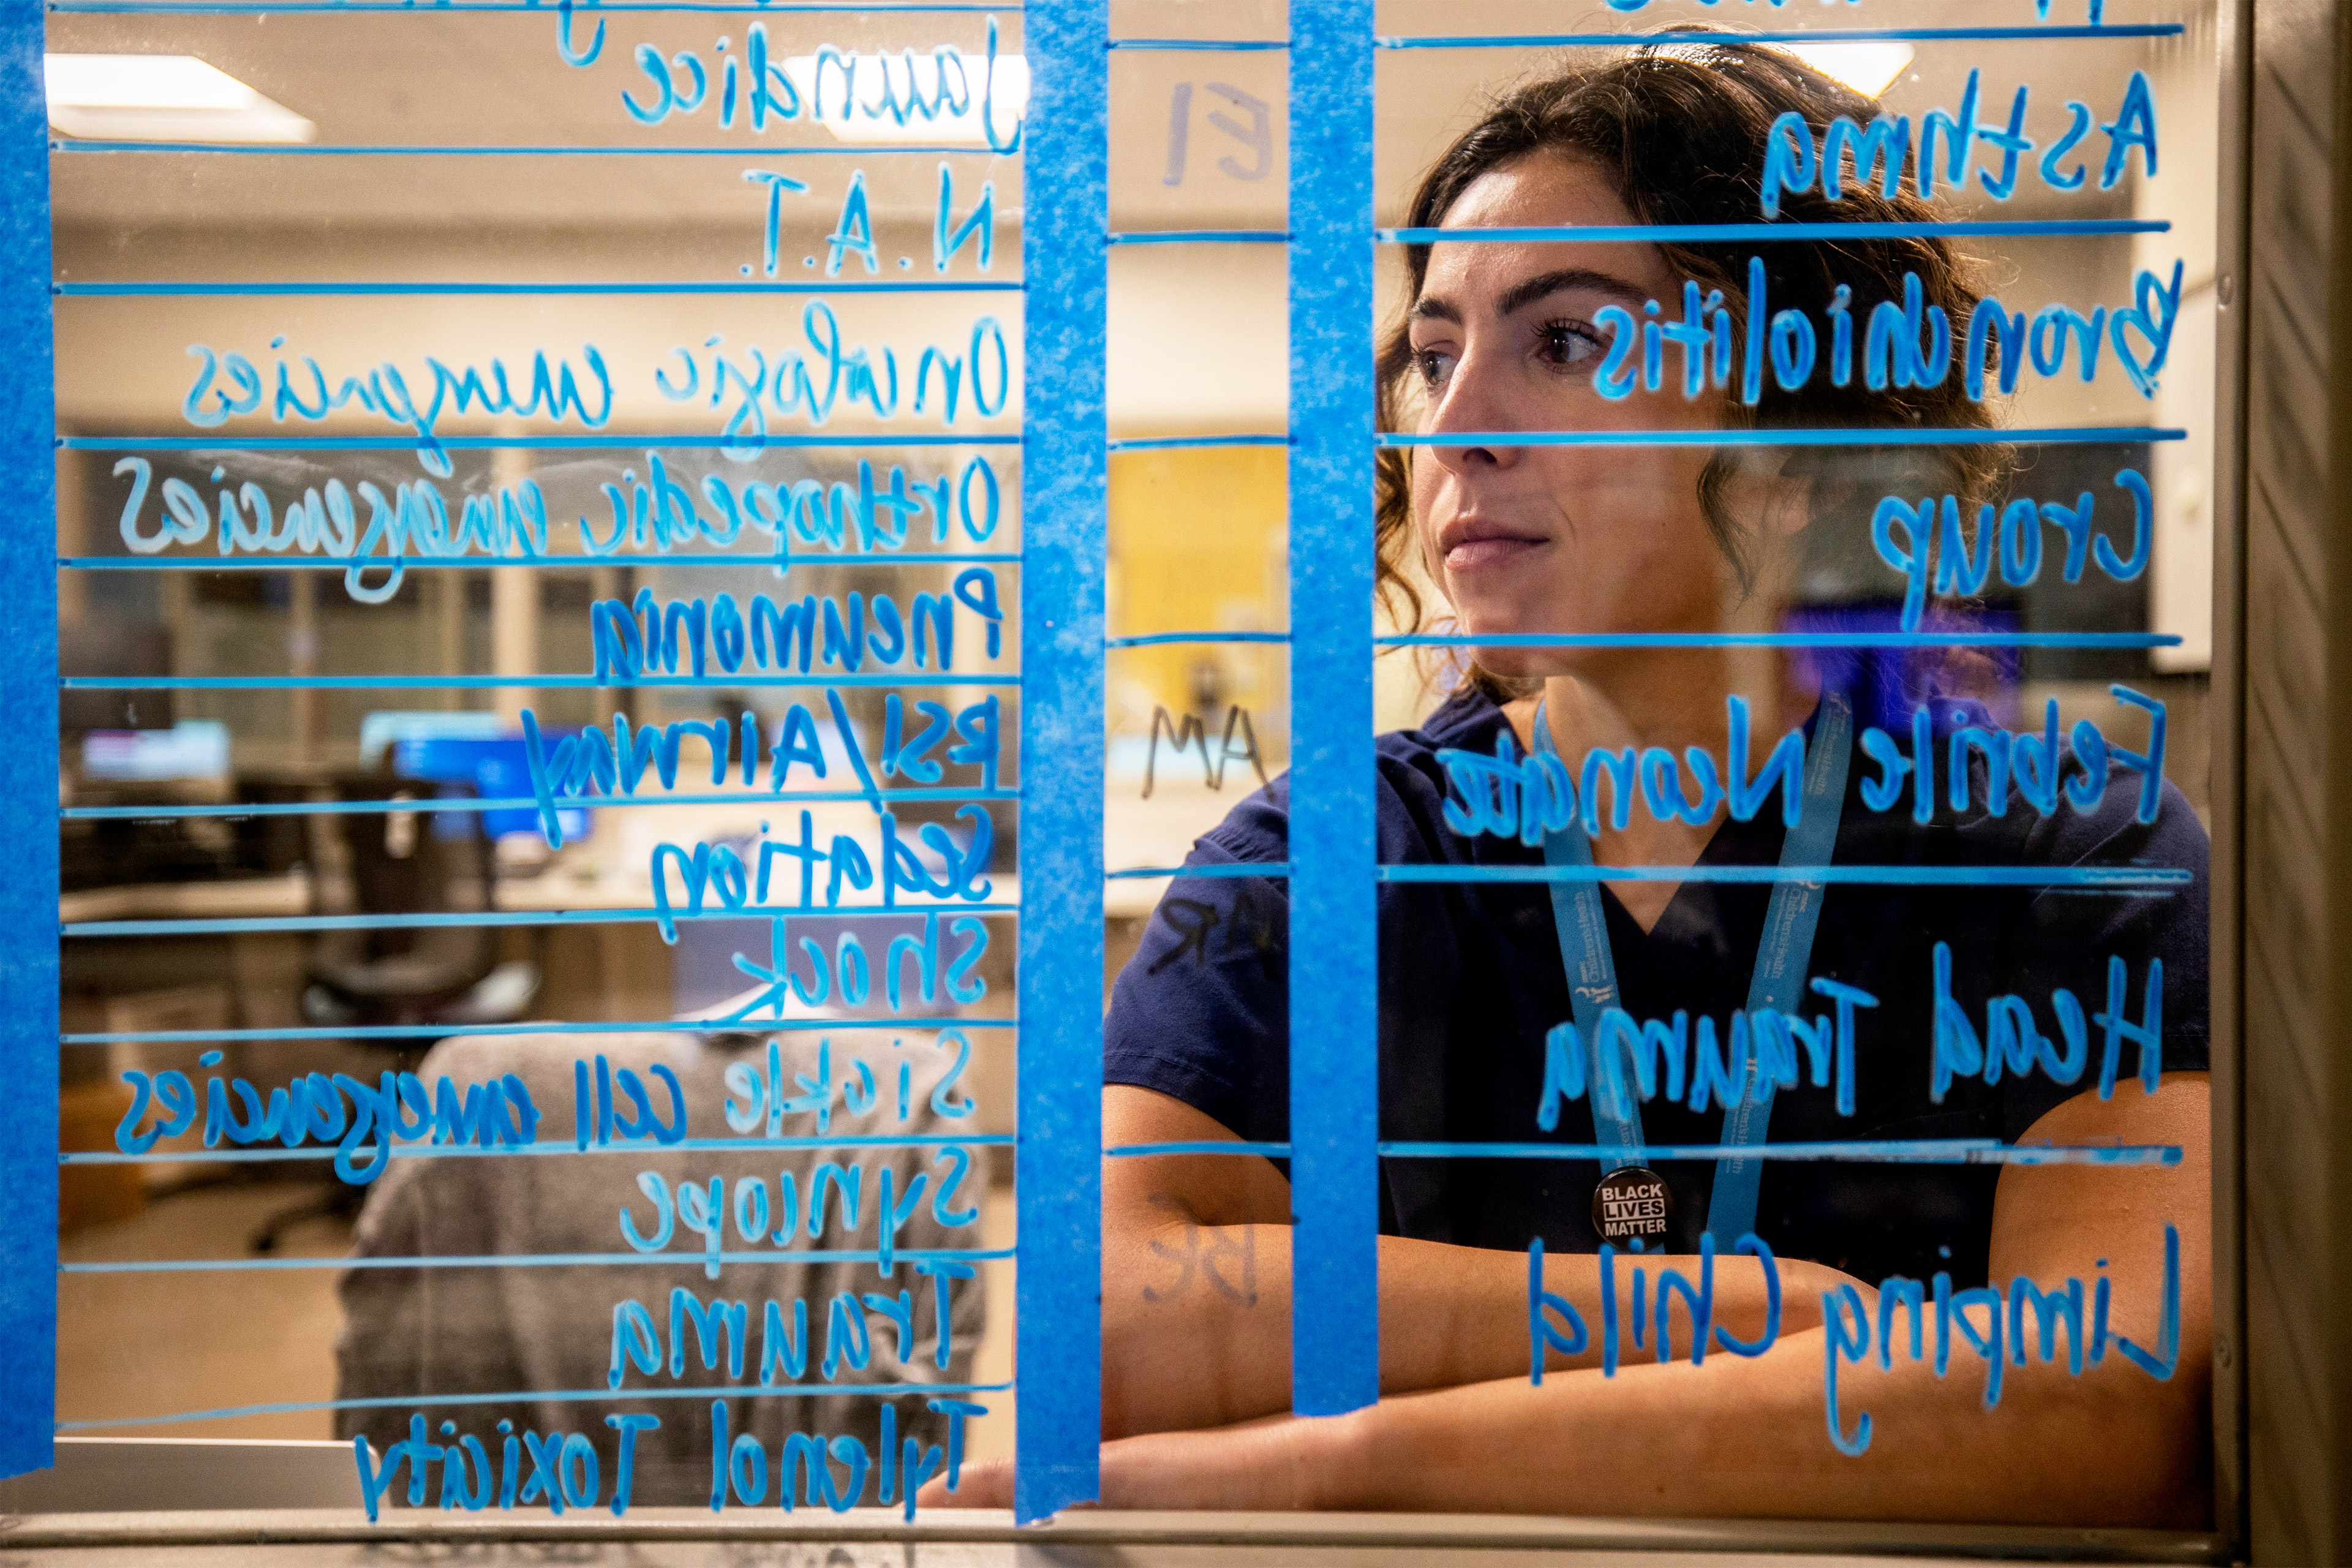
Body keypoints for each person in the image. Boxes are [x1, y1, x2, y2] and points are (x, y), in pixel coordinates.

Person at [935, 41, 2210, 1523]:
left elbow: (2110, 1390)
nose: (1457, 419)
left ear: (1800, 441)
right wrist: (1723, 1318)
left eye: (1568, 344)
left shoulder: (2062, 856)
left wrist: (1356, 1458)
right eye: (1434, 350)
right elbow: (1094, 1326)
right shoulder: (1333, 858)